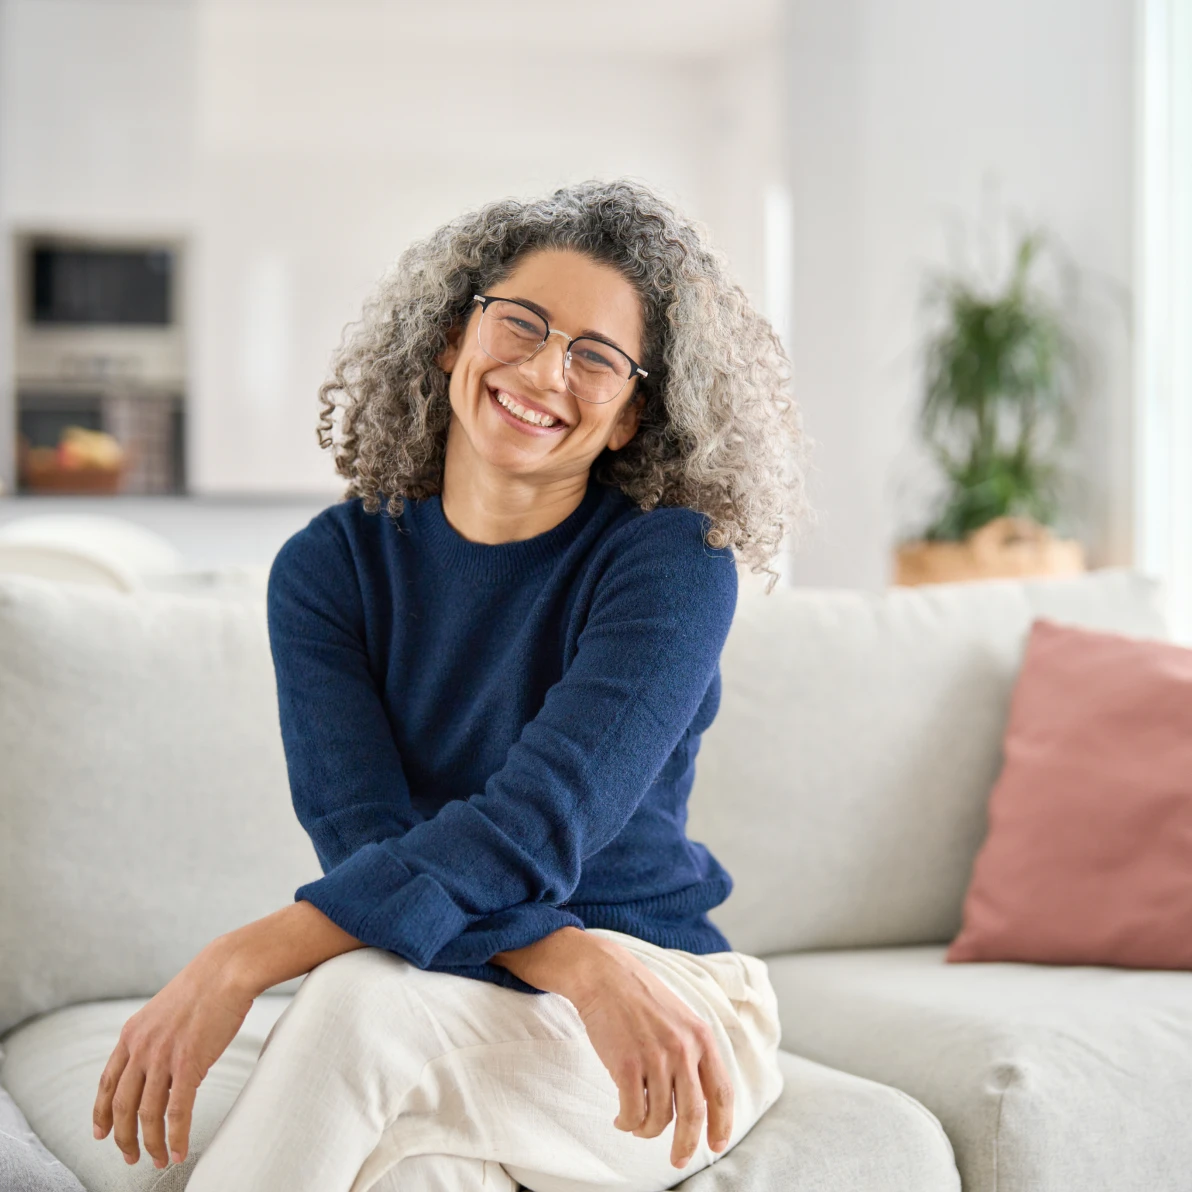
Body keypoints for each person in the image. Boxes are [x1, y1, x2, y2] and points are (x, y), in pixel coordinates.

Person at [90, 178, 808, 1191]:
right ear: (450, 337)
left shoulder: (674, 563)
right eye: (521, 323)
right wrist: (565, 955)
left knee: (349, 1003)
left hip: (662, 1007)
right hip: (460, 976)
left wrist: (244, 956)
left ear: (630, 417)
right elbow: (364, 837)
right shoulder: (329, 567)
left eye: (594, 357)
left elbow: (536, 823)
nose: (545, 370)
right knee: (410, 1168)